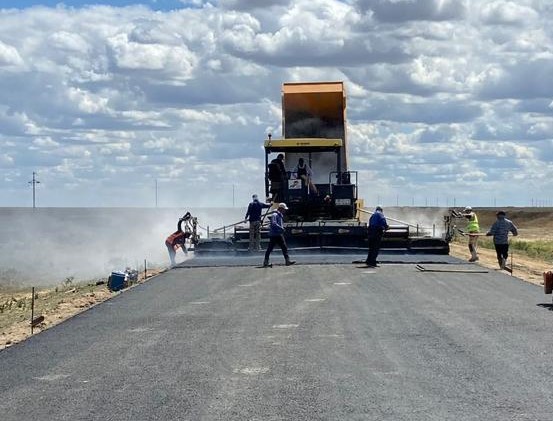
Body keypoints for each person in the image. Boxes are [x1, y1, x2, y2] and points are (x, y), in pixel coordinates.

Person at [263, 203, 296, 267]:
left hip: (278, 234)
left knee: (283, 247)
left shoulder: (279, 215)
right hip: (275, 235)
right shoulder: (275, 215)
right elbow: (273, 223)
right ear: (281, 209)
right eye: (284, 209)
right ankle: (266, 262)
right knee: (271, 248)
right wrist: (281, 228)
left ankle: (287, 261)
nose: (285, 211)